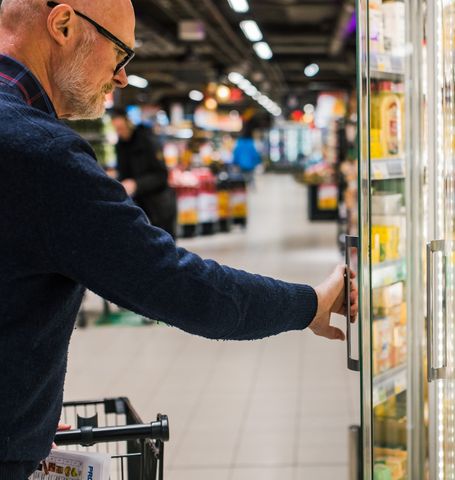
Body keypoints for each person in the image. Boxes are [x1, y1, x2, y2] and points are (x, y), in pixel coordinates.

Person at [0, 1, 357, 477]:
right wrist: (308, 303)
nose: (122, 77)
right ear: (64, 25)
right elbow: (178, 286)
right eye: (120, 52)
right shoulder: (39, 154)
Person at [110, 109, 177, 238]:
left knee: (165, 246)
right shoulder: (120, 145)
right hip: (140, 206)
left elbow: (162, 176)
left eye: (121, 128)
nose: (120, 132)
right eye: (116, 129)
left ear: (129, 123)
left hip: (160, 205)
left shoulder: (147, 139)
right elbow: (123, 172)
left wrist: (136, 184)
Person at [232, 107, 262, 184]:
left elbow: (235, 154)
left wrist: (235, 163)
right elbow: (255, 155)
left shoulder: (239, 142)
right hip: (250, 166)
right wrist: (258, 163)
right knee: (250, 180)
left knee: (242, 181)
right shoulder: (252, 143)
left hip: (241, 166)